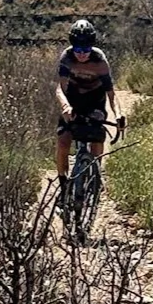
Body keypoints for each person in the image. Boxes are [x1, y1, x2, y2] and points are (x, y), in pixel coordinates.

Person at [54, 18, 122, 211]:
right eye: (78, 49)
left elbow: (111, 93)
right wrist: (65, 106)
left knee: (96, 136)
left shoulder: (100, 60)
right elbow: (60, 87)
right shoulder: (67, 57)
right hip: (73, 101)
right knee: (63, 141)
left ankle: (95, 175)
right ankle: (63, 185)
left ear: (92, 46)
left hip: (95, 101)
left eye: (86, 50)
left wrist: (118, 115)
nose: (82, 54)